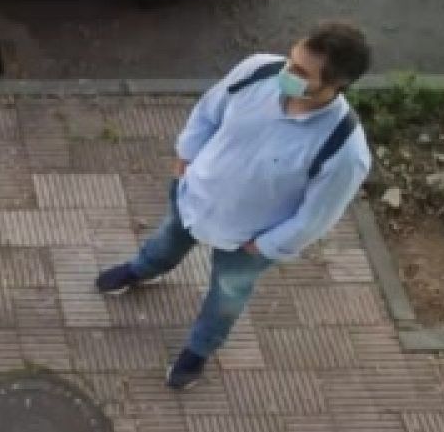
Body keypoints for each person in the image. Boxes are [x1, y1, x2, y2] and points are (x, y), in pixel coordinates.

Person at [96, 22, 373, 390]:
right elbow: (209, 110)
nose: (285, 73)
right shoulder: (258, 70)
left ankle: (198, 350)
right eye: (291, 60)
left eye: (301, 72)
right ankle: (140, 270)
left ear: (336, 85)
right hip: (194, 194)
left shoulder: (345, 151)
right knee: (165, 242)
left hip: (248, 239)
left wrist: (264, 247)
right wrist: (185, 157)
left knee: (227, 296)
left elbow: (315, 218)